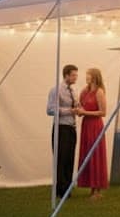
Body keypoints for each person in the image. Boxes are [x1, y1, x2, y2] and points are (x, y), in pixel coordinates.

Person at [46, 64, 80, 199]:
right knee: (61, 159)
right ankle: (60, 189)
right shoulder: (56, 90)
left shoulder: (73, 91)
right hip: (61, 128)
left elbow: (74, 106)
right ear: (66, 75)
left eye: (76, 75)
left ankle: (67, 188)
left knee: (70, 159)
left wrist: (77, 107)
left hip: (72, 128)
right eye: (73, 75)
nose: (75, 77)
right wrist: (69, 111)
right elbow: (50, 110)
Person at [75, 67, 108, 199]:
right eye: (86, 75)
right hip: (86, 126)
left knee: (96, 155)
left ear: (95, 77)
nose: (86, 77)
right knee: (87, 154)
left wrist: (85, 113)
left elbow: (103, 112)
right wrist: (78, 110)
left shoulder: (99, 92)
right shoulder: (85, 90)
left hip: (95, 126)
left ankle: (98, 190)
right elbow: (81, 106)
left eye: (88, 75)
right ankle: (91, 186)